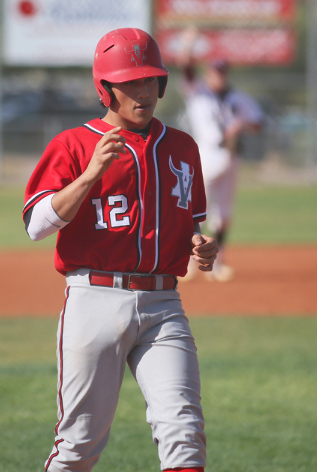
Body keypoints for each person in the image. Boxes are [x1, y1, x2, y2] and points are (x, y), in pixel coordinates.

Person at [23, 28, 218, 472]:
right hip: (94, 300)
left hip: (164, 303)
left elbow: (187, 221)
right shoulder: (73, 144)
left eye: (150, 80)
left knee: (184, 432)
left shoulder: (183, 147)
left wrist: (197, 244)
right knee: (79, 445)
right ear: (105, 88)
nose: (143, 91)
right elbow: (36, 225)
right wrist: (89, 175)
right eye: (130, 82)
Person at [178, 28, 264, 282]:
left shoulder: (238, 98)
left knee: (223, 213)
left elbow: (259, 123)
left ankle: (218, 262)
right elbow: (185, 66)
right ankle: (189, 262)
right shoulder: (198, 92)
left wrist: (241, 126)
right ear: (208, 73)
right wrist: (189, 44)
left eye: (223, 71)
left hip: (230, 157)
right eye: (215, 70)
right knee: (194, 210)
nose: (220, 75)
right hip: (205, 156)